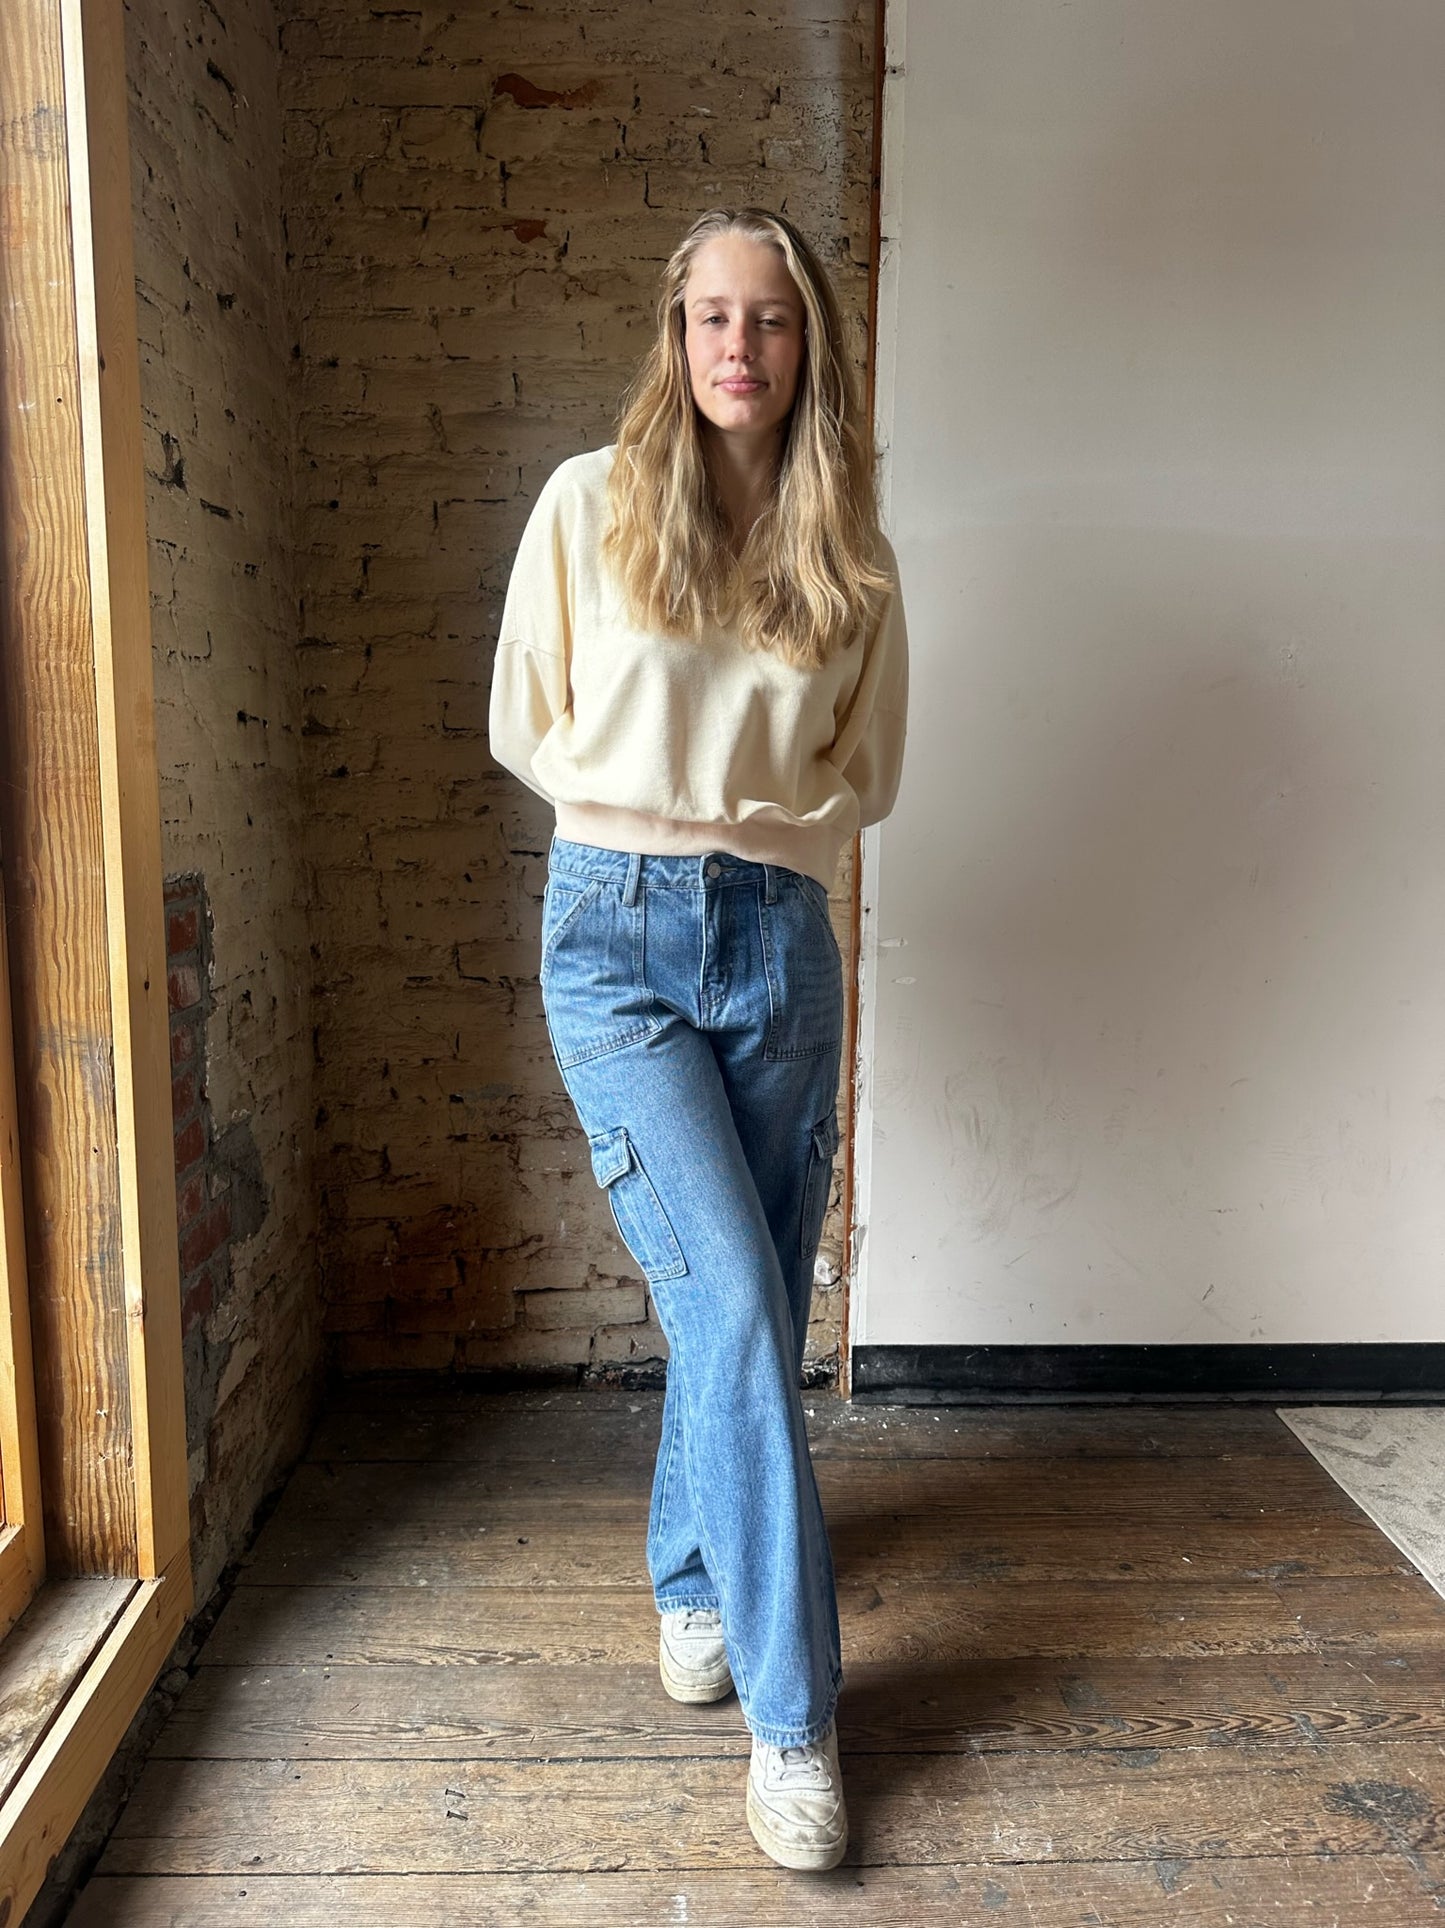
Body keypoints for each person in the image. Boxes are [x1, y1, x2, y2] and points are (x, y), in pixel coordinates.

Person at [487, 205, 908, 1873]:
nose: (740, 345)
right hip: (613, 936)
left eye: (772, 319)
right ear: (675, 337)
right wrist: (650, 815)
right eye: (713, 316)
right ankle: (796, 1725)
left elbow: (868, 766)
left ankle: (687, 1573)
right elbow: (524, 714)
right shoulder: (587, 503)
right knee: (730, 1300)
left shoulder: (848, 546)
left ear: (811, 345)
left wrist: (750, 829)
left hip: (781, 939)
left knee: (750, 1305)